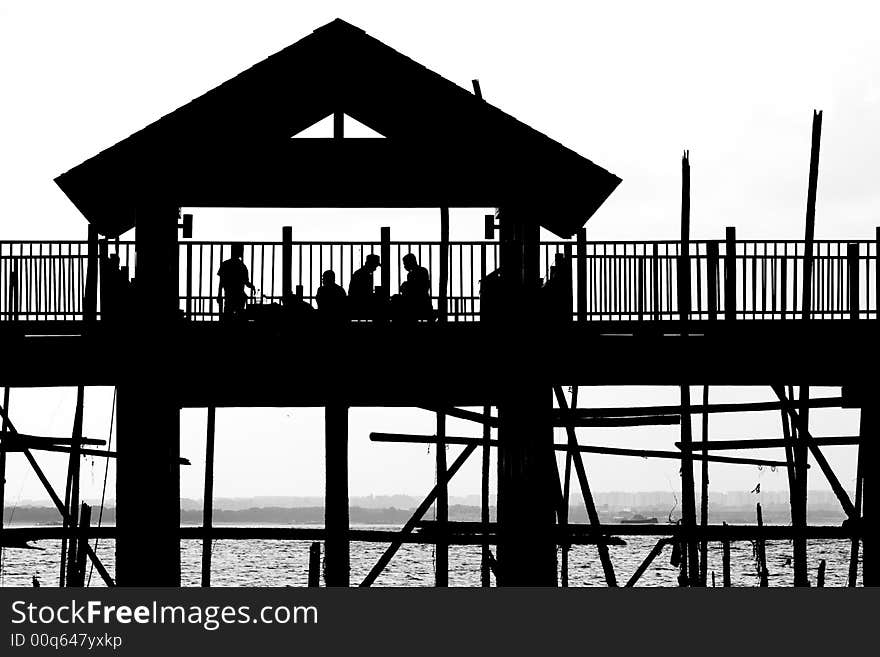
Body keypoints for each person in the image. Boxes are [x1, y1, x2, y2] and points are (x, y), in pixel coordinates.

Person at [217, 243, 255, 321]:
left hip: (229, 295)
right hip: (239, 296)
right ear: (240, 252)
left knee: (227, 317)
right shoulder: (242, 266)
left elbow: (221, 282)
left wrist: (219, 294)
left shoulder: (225, 264)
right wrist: (252, 286)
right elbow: (246, 282)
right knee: (240, 319)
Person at [391, 253, 432, 321]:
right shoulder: (419, 271)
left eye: (405, 263)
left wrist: (405, 286)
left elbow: (419, 290)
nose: (404, 266)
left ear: (411, 262)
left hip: (419, 303)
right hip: (417, 302)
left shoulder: (420, 272)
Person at [348, 254, 381, 320]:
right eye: (375, 266)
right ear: (369, 264)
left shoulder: (361, 273)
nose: (375, 268)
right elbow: (364, 293)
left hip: (357, 303)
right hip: (360, 304)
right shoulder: (364, 274)